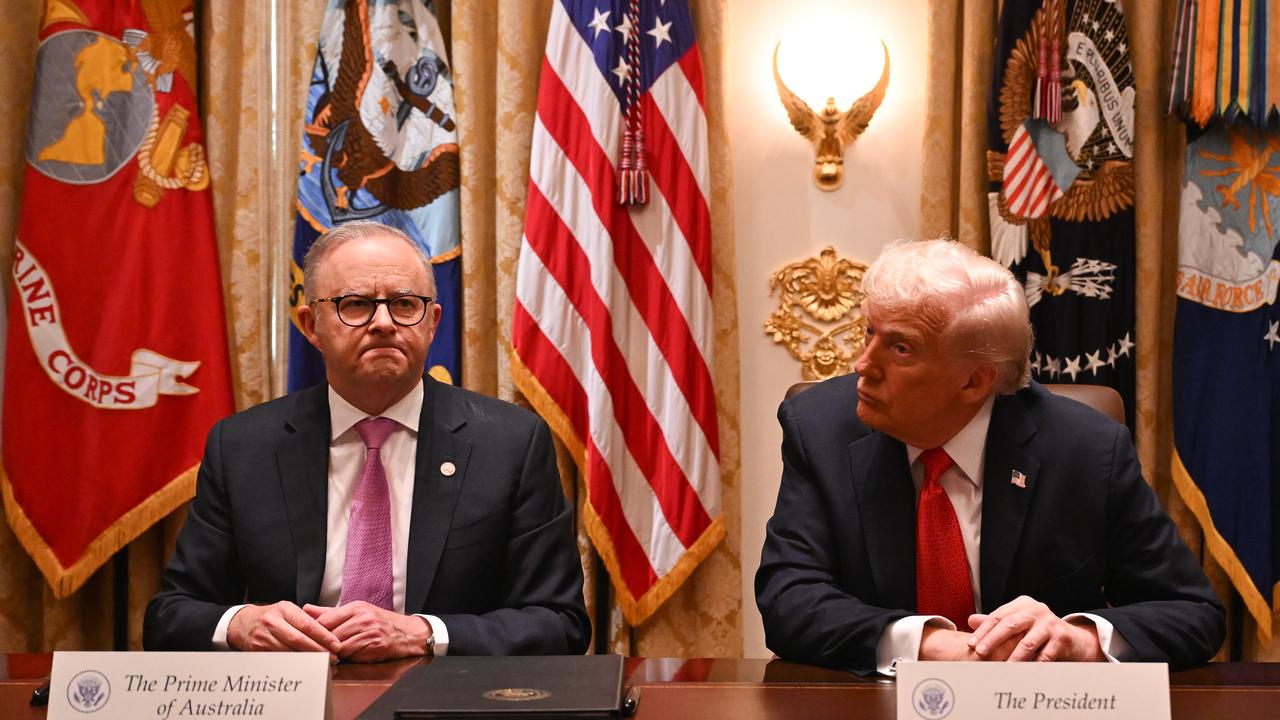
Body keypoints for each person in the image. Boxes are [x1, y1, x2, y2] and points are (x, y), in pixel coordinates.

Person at [755, 239, 1224, 675]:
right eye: (868, 332)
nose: (863, 365)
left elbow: (1192, 612)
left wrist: (1077, 640)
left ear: (974, 381)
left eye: (900, 348)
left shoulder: (1086, 450)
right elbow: (788, 600)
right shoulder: (820, 429)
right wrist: (934, 645)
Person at [144, 221, 590, 660]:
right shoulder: (244, 447)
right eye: (355, 305)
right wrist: (241, 623)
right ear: (311, 326)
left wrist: (424, 633)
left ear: (432, 323)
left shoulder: (510, 444)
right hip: (298, 694)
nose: (383, 323)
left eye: (404, 304)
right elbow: (170, 617)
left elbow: (559, 622)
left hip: (444, 695)